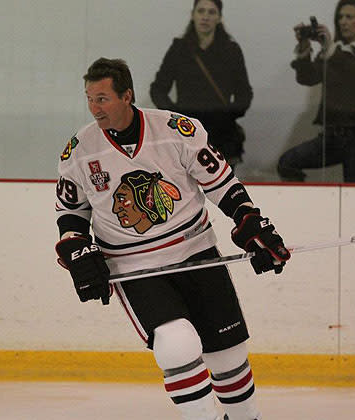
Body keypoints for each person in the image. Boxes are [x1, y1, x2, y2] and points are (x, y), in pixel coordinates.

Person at [54, 57, 290, 420]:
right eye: (89, 98)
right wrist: (75, 248)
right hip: (134, 267)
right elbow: (71, 211)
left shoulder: (176, 130)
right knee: (176, 344)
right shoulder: (80, 150)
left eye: (102, 98)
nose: (93, 107)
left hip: (196, 251)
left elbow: (222, 183)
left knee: (228, 355)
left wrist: (248, 222)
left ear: (126, 95)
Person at [277, 0, 355, 183]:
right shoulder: (334, 53)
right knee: (287, 163)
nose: (343, 22)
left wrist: (330, 49)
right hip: (330, 137)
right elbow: (308, 78)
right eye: (340, 17)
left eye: (349, 17)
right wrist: (304, 50)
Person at [150, 0, 253, 167]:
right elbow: (158, 88)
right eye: (201, 11)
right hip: (186, 131)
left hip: (222, 132)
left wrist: (229, 114)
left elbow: (244, 92)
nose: (205, 17)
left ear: (219, 18)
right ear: (193, 15)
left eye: (211, 12)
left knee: (221, 189)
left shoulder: (231, 50)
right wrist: (174, 115)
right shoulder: (179, 49)